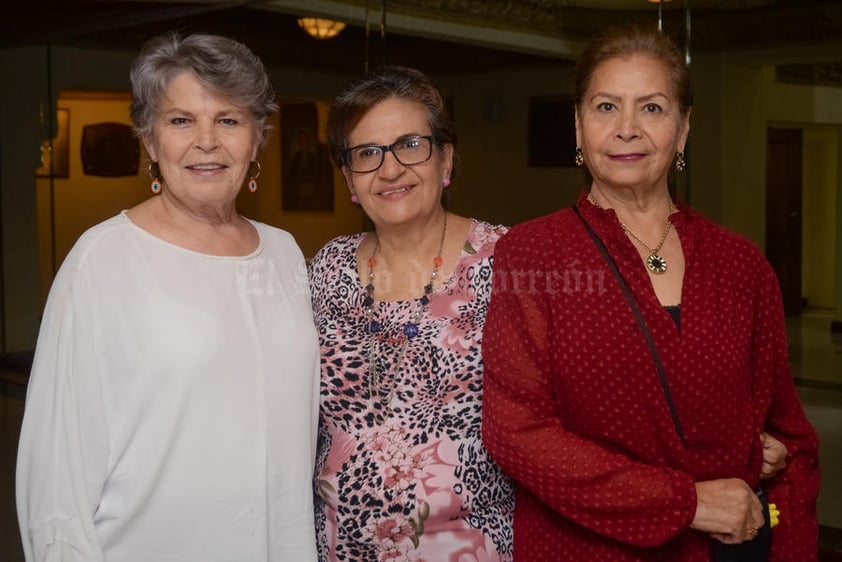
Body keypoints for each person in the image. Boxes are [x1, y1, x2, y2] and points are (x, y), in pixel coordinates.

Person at [481, 24, 820, 561]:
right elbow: (516, 434)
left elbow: (792, 441)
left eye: (653, 108)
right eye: (606, 107)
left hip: (729, 548)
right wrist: (685, 502)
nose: (627, 129)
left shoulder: (742, 264)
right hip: (586, 549)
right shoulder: (532, 255)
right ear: (578, 125)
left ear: (683, 130)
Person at [16, 32, 319, 561]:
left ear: (257, 139)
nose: (207, 141)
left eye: (229, 119)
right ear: (150, 141)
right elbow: (57, 471)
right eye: (181, 121)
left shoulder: (284, 254)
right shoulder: (104, 260)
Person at [309, 65, 514, 561]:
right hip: (338, 549)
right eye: (367, 154)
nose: (391, 168)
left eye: (411, 145)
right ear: (349, 178)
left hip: (469, 549)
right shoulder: (325, 269)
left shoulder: (506, 261)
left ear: (446, 158)